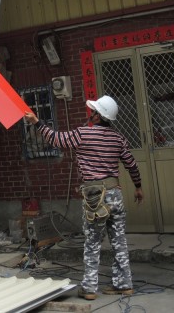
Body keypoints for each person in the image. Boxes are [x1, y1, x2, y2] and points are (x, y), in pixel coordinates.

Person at [23, 95, 143, 301]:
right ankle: (125, 285)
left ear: (98, 116)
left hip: (95, 196)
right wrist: (138, 187)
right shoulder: (118, 138)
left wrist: (37, 122)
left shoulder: (83, 134)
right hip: (115, 195)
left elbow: (57, 140)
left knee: (92, 243)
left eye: (93, 111)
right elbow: (131, 164)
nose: (90, 113)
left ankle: (89, 288)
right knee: (119, 241)